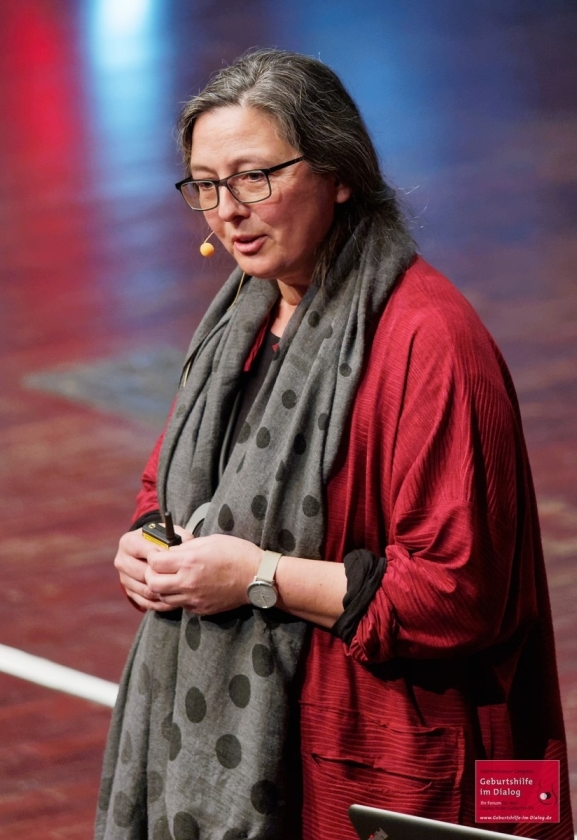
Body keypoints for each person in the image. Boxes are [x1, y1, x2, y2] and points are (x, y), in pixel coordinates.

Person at [95, 49, 573, 840]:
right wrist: (147, 548)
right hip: (275, 745)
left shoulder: (430, 341)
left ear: (339, 173)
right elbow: (168, 489)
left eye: (254, 177)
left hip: (391, 770)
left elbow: (457, 594)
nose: (228, 211)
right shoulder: (238, 322)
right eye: (206, 185)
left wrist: (259, 578)